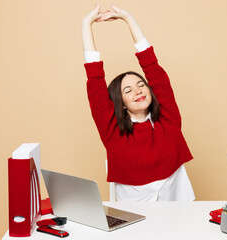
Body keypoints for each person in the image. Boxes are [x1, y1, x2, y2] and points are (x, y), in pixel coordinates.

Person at [82, 5, 195, 201]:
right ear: (121, 103)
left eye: (141, 84)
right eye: (128, 90)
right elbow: (95, 82)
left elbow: (152, 67)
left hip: (180, 217)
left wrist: (128, 18)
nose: (137, 91)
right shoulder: (113, 134)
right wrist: (86, 25)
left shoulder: (169, 122)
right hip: (135, 221)